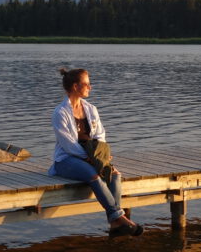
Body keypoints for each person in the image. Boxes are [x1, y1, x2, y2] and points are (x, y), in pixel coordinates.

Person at [49, 68, 143, 237]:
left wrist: (101, 155)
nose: (90, 87)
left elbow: (100, 135)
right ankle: (119, 217)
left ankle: (115, 224)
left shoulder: (91, 109)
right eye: (87, 84)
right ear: (76, 86)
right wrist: (89, 159)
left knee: (114, 175)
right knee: (94, 175)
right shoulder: (60, 113)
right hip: (67, 160)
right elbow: (68, 145)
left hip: (92, 156)